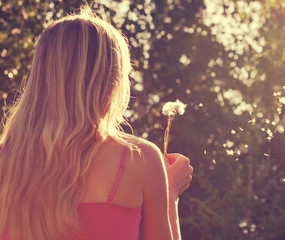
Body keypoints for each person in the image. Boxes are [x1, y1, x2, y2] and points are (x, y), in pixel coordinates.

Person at [0, 5, 193, 240]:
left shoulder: (5, 160)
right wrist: (169, 192)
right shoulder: (139, 158)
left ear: (41, 75)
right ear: (112, 80)